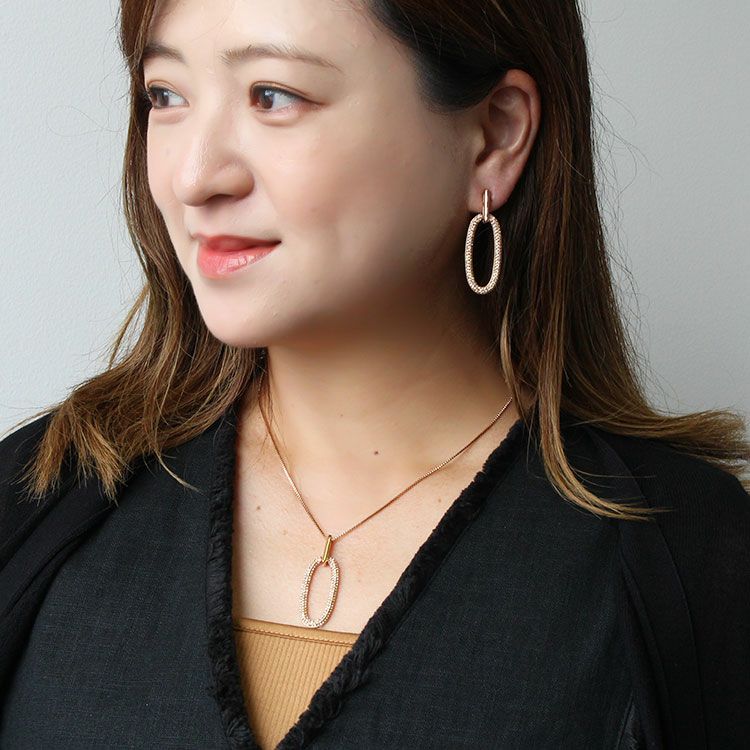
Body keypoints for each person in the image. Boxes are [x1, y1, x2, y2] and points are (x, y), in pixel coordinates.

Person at [0, 0, 748, 748]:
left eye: (273, 96)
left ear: (494, 135)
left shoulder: (693, 570)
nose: (194, 177)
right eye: (166, 95)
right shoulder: (39, 501)